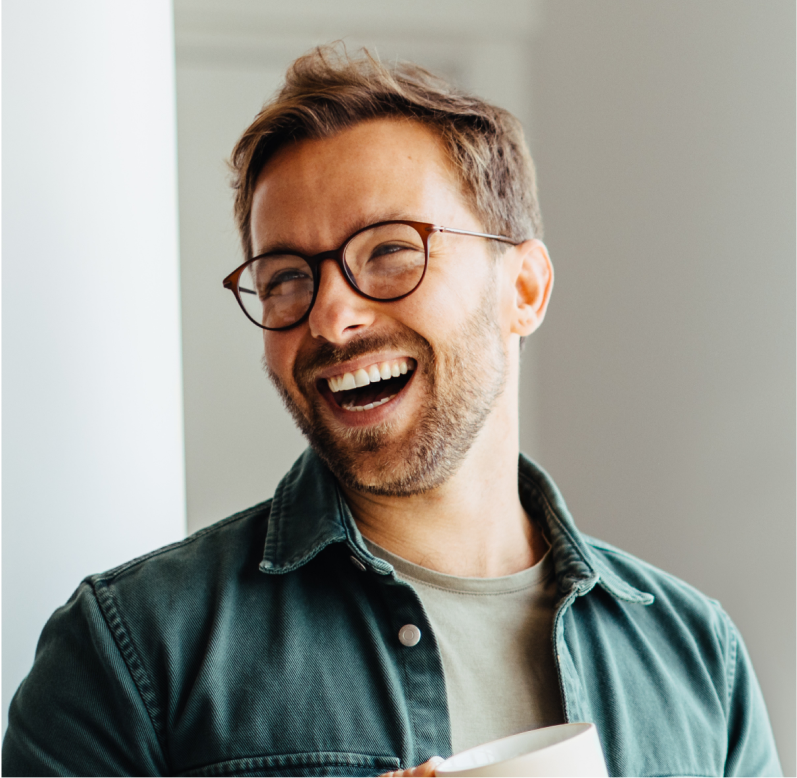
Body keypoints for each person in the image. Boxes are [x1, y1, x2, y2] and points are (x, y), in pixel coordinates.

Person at [1, 46, 782, 778]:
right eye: (283, 278)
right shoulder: (129, 647)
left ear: (523, 289)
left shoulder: (697, 658)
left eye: (388, 252)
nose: (329, 318)